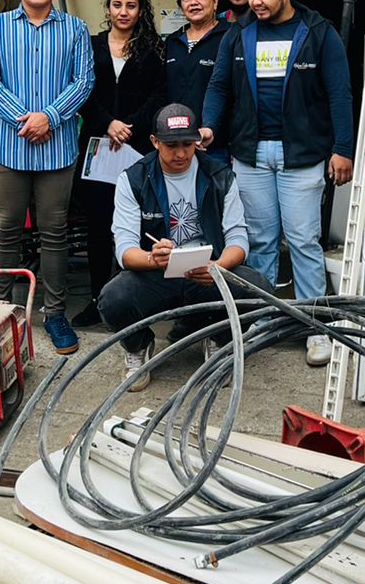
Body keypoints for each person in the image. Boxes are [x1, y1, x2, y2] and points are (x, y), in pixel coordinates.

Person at [200, 0, 354, 365]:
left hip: (301, 154)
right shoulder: (239, 33)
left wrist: (343, 148)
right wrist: (210, 126)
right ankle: (263, 320)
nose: (255, 1)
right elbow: (219, 86)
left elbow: (339, 93)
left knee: (303, 241)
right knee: (260, 242)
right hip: (250, 154)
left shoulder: (318, 32)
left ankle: (314, 326)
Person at [0, 0, 94, 355]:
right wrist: (25, 120)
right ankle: (0, 311)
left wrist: (50, 118)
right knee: (6, 228)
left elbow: (84, 81)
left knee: (54, 232)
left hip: (57, 149)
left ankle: (55, 313)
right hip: (9, 147)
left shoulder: (75, 29)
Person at [98, 104, 269, 386]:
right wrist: (152, 259)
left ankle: (219, 340)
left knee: (258, 290)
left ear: (197, 141)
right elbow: (125, 249)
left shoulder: (219, 175)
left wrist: (217, 267)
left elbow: (238, 238)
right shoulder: (134, 178)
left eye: (187, 144)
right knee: (113, 299)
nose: (180, 154)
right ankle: (138, 346)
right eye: (171, 145)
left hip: (206, 271)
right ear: (155, 142)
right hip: (156, 273)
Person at [74, 0, 165, 326]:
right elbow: (81, 91)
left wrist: (130, 126)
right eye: (117, 5)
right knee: (98, 227)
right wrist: (108, 123)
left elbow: (159, 95)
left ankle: (135, 301)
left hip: (136, 149)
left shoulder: (153, 49)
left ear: (140, 11)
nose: (123, 12)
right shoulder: (90, 45)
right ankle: (97, 300)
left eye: (131, 5)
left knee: (137, 226)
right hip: (97, 149)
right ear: (108, 8)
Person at [164, 0, 230, 157]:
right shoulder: (173, 41)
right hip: (177, 143)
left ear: (215, 2)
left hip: (217, 144)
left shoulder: (231, 37)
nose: (193, 2)